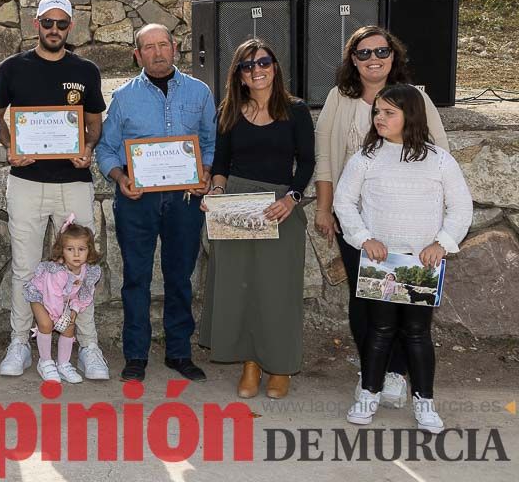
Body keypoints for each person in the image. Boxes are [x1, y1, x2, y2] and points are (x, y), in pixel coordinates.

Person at [313, 26, 448, 408]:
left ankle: (395, 375)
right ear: (352, 60)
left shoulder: (417, 97)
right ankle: (371, 370)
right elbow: (325, 159)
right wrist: (325, 208)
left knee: (406, 302)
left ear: (394, 55)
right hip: (356, 221)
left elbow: (441, 155)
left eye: (381, 51)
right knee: (365, 298)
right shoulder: (339, 98)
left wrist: (438, 228)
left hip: (411, 226)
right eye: (364, 53)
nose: (374, 59)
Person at [336, 84, 472, 433]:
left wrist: (441, 242)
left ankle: (424, 402)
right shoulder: (365, 158)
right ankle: (369, 394)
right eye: (377, 112)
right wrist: (365, 238)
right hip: (382, 263)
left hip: (421, 264)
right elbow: (344, 202)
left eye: (388, 113)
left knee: (417, 334)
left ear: (409, 116)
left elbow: (460, 208)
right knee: (380, 330)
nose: (379, 117)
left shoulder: (439, 160)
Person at [0, 0, 111, 381]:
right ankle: (19, 343)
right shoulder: (12, 68)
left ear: (70, 27)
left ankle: (88, 347)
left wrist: (89, 148)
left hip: (73, 182)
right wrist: (10, 146)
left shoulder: (87, 70)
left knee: (83, 268)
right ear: (36, 25)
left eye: (62, 24)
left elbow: (94, 123)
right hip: (26, 182)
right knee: (26, 268)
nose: (54, 30)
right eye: (48, 23)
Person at [96, 23, 216, 383]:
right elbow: (106, 148)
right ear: (137, 55)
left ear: (175, 47)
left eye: (163, 45)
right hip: (137, 200)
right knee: (136, 278)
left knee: (180, 277)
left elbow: (210, 141)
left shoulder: (200, 92)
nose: (158, 52)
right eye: (148, 47)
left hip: (184, 199)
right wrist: (120, 178)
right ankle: (136, 355)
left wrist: (206, 173)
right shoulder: (124, 97)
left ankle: (179, 352)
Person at [198, 39, 315, 399]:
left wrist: (292, 199)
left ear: (274, 67)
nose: (257, 70)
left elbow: (307, 162)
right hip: (237, 204)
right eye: (248, 66)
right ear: (240, 75)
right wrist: (216, 192)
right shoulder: (229, 110)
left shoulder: (296, 111)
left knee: (277, 292)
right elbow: (220, 164)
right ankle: (250, 362)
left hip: (278, 208)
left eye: (263, 62)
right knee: (239, 288)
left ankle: (279, 366)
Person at [24, 217, 103, 384]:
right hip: (41, 296)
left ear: (89, 250)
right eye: (70, 249)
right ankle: (45, 362)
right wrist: (57, 317)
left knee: (69, 327)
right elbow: (52, 296)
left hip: (63, 302)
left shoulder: (86, 271)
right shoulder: (58, 272)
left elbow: (83, 293)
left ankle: (63, 364)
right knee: (46, 324)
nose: (76, 254)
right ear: (61, 250)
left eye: (81, 249)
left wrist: (73, 311)